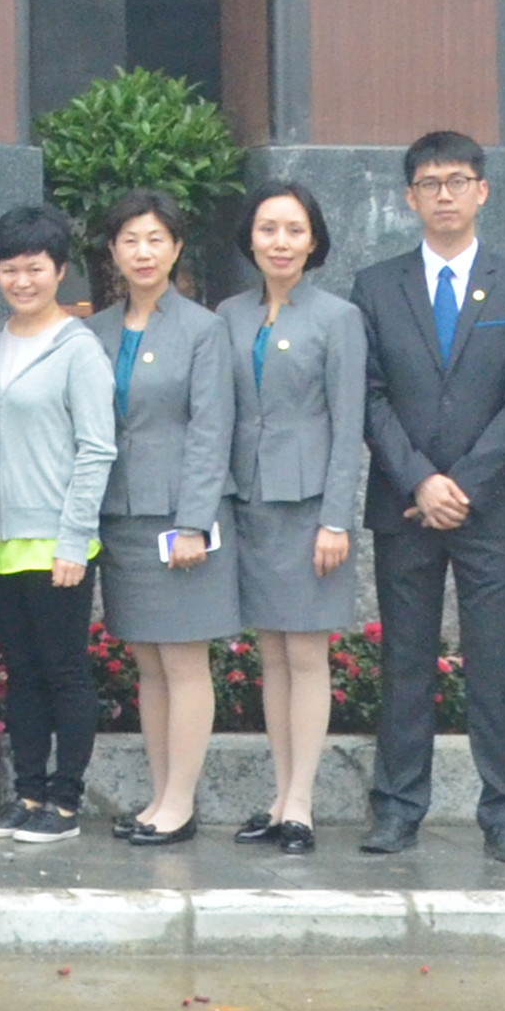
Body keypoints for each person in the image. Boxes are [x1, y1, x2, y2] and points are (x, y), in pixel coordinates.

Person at [354, 130, 505, 865]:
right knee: (405, 660)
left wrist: (462, 484)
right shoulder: (376, 286)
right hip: (404, 504)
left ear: (483, 191)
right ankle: (398, 807)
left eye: (458, 181)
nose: (445, 195)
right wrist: (420, 479)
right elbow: (371, 395)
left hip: (491, 508)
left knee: (494, 663)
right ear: (410, 198)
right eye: (430, 184)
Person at [215, 180, 368, 855]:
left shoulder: (338, 318)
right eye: (268, 229)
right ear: (250, 238)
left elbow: (348, 424)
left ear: (313, 241)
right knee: (270, 653)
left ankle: (301, 802)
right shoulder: (229, 314)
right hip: (247, 503)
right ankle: (279, 797)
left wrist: (336, 519)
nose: (280, 242)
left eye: (294, 230)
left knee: (306, 653)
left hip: (308, 509)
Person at [86, 189, 237, 845]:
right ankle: (158, 797)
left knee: (182, 662)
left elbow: (211, 429)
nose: (142, 252)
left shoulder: (204, 329)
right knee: (148, 663)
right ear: (113, 252)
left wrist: (194, 523)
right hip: (119, 515)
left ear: (176, 248)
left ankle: (179, 803)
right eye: (130, 240)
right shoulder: (96, 330)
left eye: (155, 239)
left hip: (178, 520)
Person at [0, 203, 113, 845]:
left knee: (64, 672)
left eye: (35, 268)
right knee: (21, 671)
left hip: (58, 542)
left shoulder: (78, 349)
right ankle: (26, 791)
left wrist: (73, 540)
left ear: (60, 272)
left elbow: (96, 448)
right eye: (10, 269)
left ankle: (64, 800)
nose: (22, 281)